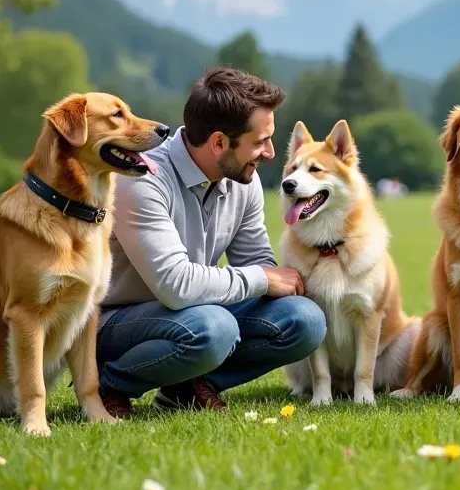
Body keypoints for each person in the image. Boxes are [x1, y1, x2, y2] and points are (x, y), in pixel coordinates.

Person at [95, 68, 327, 417]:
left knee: (304, 320)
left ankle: (184, 387)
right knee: (214, 328)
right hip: (118, 320)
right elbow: (175, 286)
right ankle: (108, 384)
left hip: (192, 310)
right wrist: (263, 279)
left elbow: (258, 263)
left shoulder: (243, 181)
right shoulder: (142, 180)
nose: (269, 153)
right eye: (260, 142)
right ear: (219, 143)